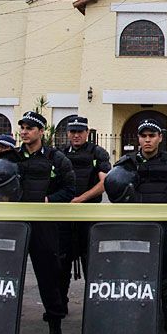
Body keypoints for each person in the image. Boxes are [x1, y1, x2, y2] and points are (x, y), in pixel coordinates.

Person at [113, 118, 167, 334]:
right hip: (133, 232)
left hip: (163, 232)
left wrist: (166, 219)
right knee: (133, 282)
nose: (147, 140)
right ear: (138, 138)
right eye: (143, 136)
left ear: (160, 138)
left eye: (152, 136)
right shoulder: (125, 165)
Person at [16, 111, 76, 334]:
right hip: (16, 224)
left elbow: (69, 189)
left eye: (29, 128)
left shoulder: (56, 158)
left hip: (44, 225)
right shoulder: (12, 157)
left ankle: (55, 326)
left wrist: (47, 200)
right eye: (22, 127)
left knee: (49, 276)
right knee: (6, 272)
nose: (24, 132)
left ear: (41, 131)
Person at [57, 116, 111, 316]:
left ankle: (94, 309)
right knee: (61, 265)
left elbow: (104, 183)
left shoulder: (97, 153)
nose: (76, 135)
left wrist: (80, 199)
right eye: (72, 131)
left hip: (88, 217)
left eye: (80, 131)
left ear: (87, 133)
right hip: (64, 218)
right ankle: (60, 305)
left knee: (92, 264)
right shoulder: (60, 154)